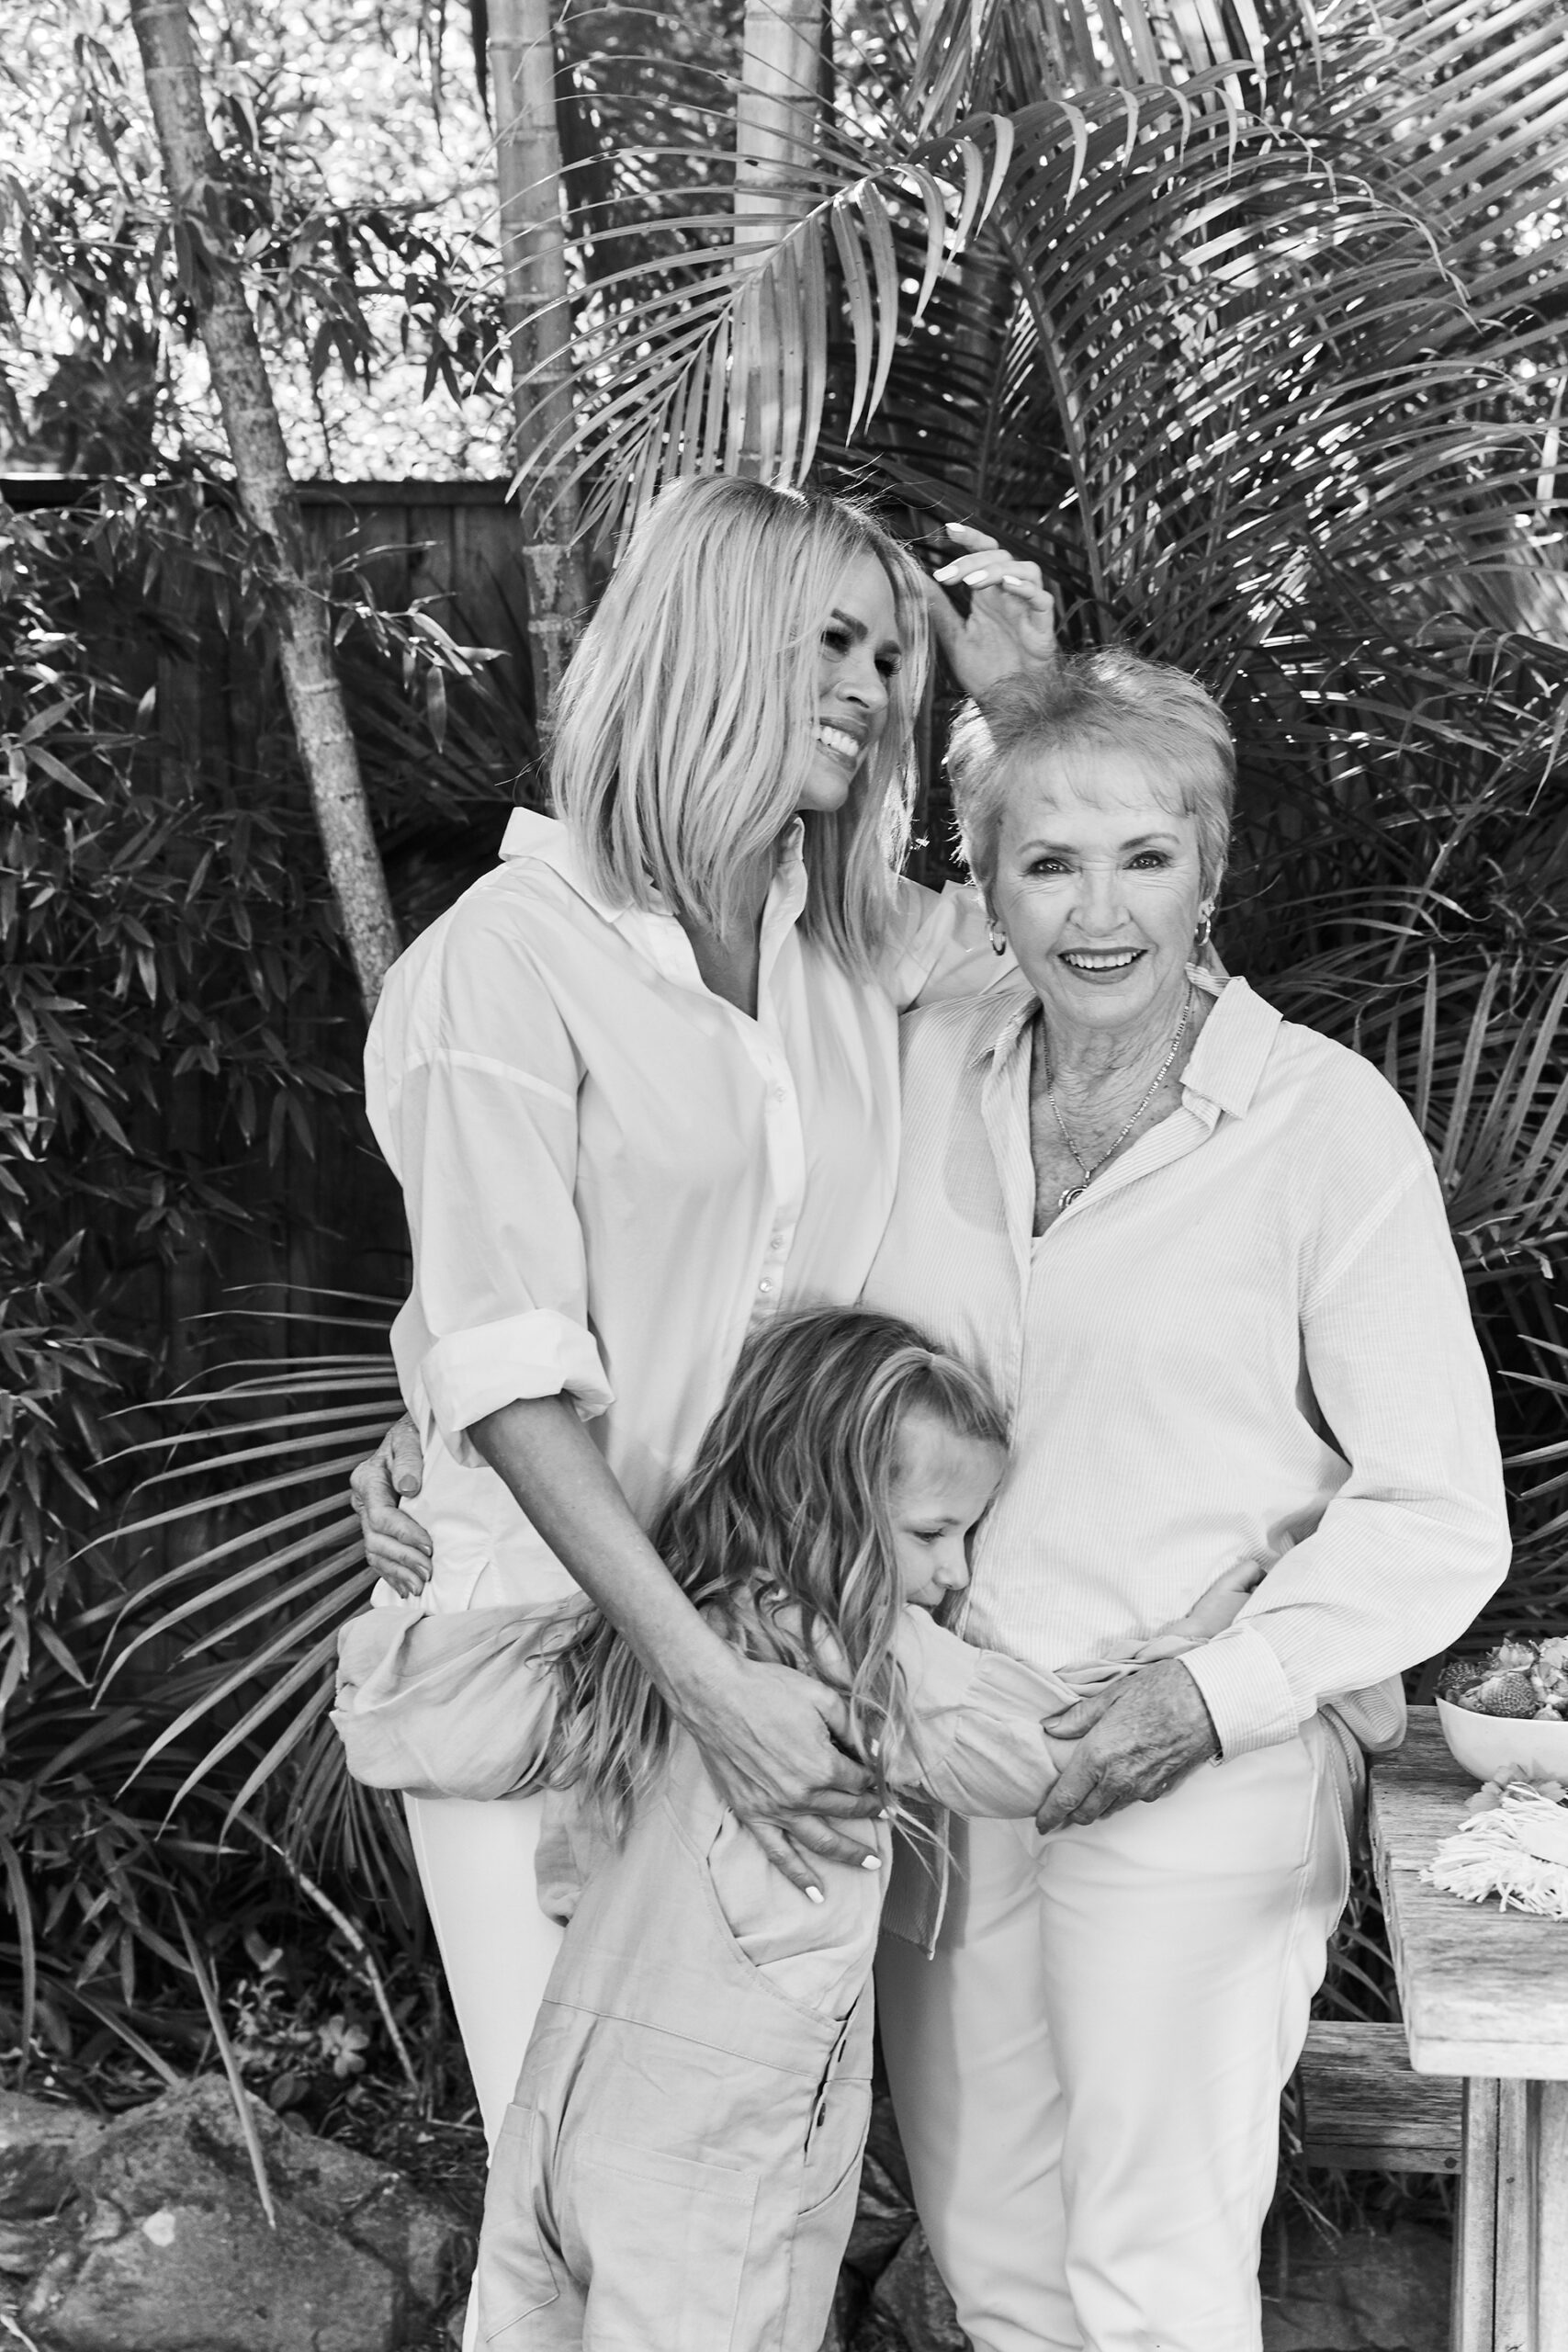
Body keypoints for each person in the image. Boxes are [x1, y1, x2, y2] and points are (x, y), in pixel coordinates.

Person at [355, 473, 1056, 2154]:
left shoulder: (846, 945)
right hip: (551, 1653)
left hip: (781, 1645)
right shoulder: (499, 964)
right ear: (708, 643)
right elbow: (511, 1369)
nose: (875, 688)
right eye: (831, 640)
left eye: (889, 657)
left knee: (727, 2203)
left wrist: (1017, 700)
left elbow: (1093, 937)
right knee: (582, 2193)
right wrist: (703, 1686)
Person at [858, 650, 1511, 2352]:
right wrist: (445, 1408)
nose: (1096, 912)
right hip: (944, 1742)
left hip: (1191, 1760)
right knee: (992, 2252)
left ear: (1210, 870)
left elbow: (1438, 1513)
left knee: (1150, 2277)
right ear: (981, 882)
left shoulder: (1317, 1126)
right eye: (1045, 862)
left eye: (1143, 857)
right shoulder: (922, 1065)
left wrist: (1197, 1701)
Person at [333, 1307, 1269, 2352]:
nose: (955, 1573)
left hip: (563, 2118)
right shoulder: (872, 1661)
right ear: (817, 1500)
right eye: (930, 1533)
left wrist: (436, 1502)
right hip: (721, 2155)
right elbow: (1051, 1756)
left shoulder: (643, 1637)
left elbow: (395, 1715)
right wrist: (1194, 1655)